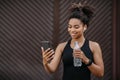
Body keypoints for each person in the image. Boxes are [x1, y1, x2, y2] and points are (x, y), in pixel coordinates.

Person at [41, 2, 104, 80]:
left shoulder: (94, 46)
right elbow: (51, 70)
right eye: (70, 27)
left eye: (76, 27)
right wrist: (45, 62)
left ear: (85, 27)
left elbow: (100, 73)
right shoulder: (61, 47)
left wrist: (86, 60)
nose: (72, 30)